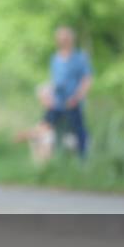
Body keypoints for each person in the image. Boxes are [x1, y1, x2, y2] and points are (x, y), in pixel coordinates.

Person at [45, 26, 93, 159]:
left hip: (73, 102)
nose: (62, 41)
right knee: (46, 128)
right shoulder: (55, 58)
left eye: (65, 38)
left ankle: (83, 160)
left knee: (79, 131)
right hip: (57, 102)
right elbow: (54, 81)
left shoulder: (79, 58)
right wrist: (48, 96)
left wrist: (77, 97)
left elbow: (87, 79)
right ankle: (48, 160)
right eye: (60, 39)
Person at [14, 82, 56, 164]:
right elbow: (41, 127)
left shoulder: (56, 110)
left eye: (44, 98)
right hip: (57, 137)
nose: (42, 101)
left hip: (67, 138)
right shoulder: (49, 111)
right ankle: (43, 166)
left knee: (44, 138)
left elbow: (44, 130)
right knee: (36, 137)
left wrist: (24, 135)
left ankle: (46, 165)